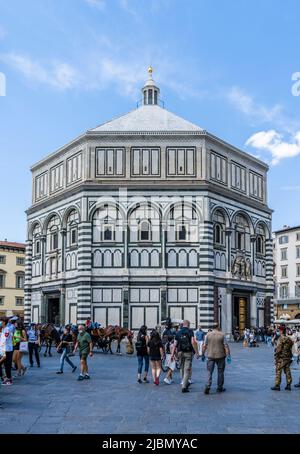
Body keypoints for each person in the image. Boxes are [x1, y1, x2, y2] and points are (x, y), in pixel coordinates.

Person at [171, 320, 199, 393]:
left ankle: (183, 381)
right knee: (187, 369)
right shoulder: (190, 331)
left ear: (182, 324)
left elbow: (174, 344)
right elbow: (193, 342)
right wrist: (197, 352)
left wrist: (172, 354)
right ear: (188, 324)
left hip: (180, 352)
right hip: (188, 352)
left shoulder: (178, 332)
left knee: (181, 367)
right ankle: (184, 386)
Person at [202, 323, 230, 394]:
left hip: (210, 356)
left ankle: (208, 386)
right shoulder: (222, 334)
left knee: (209, 372)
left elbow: (204, 346)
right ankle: (219, 387)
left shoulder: (208, 335)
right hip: (220, 356)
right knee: (220, 372)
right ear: (218, 327)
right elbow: (226, 346)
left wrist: (202, 354)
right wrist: (228, 355)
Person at [271, 324, 293, 391]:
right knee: (287, 371)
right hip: (287, 357)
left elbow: (278, 349)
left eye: (279, 330)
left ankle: (277, 385)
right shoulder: (288, 338)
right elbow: (291, 346)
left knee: (278, 371)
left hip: (281, 357)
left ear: (281, 331)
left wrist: (276, 355)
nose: (278, 331)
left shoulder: (281, 338)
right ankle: (288, 385)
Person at [0, 318, 13, 385]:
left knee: (7, 365)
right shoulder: (3, 329)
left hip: (7, 349)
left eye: (1, 321)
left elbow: (5, 339)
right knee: (5, 365)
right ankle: (6, 378)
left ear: (4, 322)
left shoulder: (7, 329)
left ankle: (8, 379)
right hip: (3, 349)